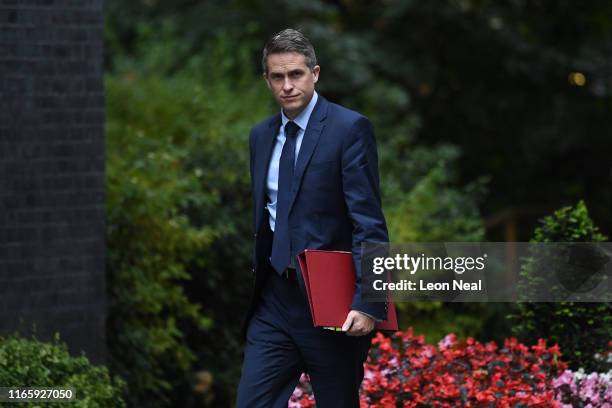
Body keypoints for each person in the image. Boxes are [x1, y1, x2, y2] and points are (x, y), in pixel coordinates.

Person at [237, 28, 389, 408]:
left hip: (330, 303)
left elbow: (368, 222)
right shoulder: (260, 136)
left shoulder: (349, 129)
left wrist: (370, 301)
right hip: (273, 302)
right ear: (267, 80)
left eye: (296, 74)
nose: (287, 85)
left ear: (315, 73)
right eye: (277, 77)